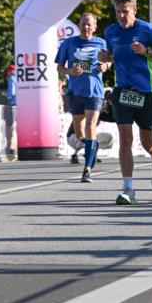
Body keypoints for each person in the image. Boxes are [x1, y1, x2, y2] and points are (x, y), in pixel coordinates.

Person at [98, 0, 152, 205]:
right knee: (125, 138)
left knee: (147, 142)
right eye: (118, 11)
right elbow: (111, 56)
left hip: (145, 92)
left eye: (125, 11)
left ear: (135, 10)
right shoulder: (110, 32)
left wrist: (146, 52)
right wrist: (105, 60)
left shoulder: (148, 30)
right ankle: (128, 188)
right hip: (122, 91)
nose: (121, 16)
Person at [55, 12, 108, 184]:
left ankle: (87, 170)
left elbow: (109, 62)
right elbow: (60, 68)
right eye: (84, 24)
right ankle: (93, 146)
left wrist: (104, 66)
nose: (86, 27)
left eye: (89, 24)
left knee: (91, 127)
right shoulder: (69, 44)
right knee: (79, 133)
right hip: (75, 92)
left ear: (95, 27)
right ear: (79, 25)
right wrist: (70, 71)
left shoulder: (101, 43)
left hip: (94, 92)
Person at [2, 63, 17, 160]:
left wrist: (7, 96)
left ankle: (10, 145)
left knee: (10, 125)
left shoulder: (11, 79)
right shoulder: (19, 78)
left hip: (13, 104)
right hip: (20, 104)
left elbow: (11, 93)